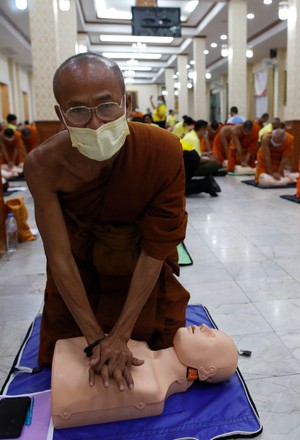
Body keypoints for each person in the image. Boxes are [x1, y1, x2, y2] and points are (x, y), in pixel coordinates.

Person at [24, 53, 190, 390]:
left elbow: (156, 247)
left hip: (140, 273)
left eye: (106, 106)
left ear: (126, 103)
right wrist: (95, 338)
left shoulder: (162, 150)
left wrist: (121, 334)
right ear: (60, 114)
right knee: (69, 368)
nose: (96, 124)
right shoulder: (43, 165)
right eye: (78, 111)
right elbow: (59, 256)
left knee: (161, 353)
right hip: (79, 278)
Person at [51, 323, 239, 429]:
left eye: (211, 337)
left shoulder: (152, 390)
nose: (204, 326)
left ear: (207, 371)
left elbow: (66, 398)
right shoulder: (140, 346)